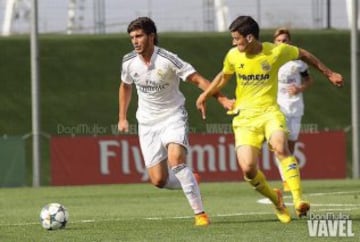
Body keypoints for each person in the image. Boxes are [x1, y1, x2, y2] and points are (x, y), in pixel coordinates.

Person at [196, 16, 344, 223]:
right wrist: (205, 95)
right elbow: (224, 75)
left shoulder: (275, 51)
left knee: (281, 147)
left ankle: (299, 200)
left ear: (249, 37)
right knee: (248, 169)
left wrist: (329, 73)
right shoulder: (233, 55)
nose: (233, 43)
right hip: (245, 118)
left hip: (270, 113)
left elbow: (303, 54)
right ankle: (277, 201)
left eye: (236, 38)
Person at [118, 17, 233, 226]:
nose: (135, 41)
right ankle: (190, 179)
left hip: (173, 116)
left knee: (176, 160)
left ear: (151, 36)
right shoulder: (128, 62)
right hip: (147, 123)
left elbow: (198, 79)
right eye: (132, 37)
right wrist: (122, 117)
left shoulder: (168, 59)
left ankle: (200, 214)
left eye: (139, 36)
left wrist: (222, 98)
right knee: (158, 180)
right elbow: (125, 86)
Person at [273, 27, 314, 192]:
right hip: (278, 107)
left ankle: (289, 178)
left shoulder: (299, 63)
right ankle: (286, 180)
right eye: (279, 40)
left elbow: (309, 80)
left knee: (291, 147)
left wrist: (300, 88)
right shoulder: (271, 61)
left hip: (295, 107)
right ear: (274, 43)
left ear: (290, 42)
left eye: (285, 40)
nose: (282, 43)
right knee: (280, 145)